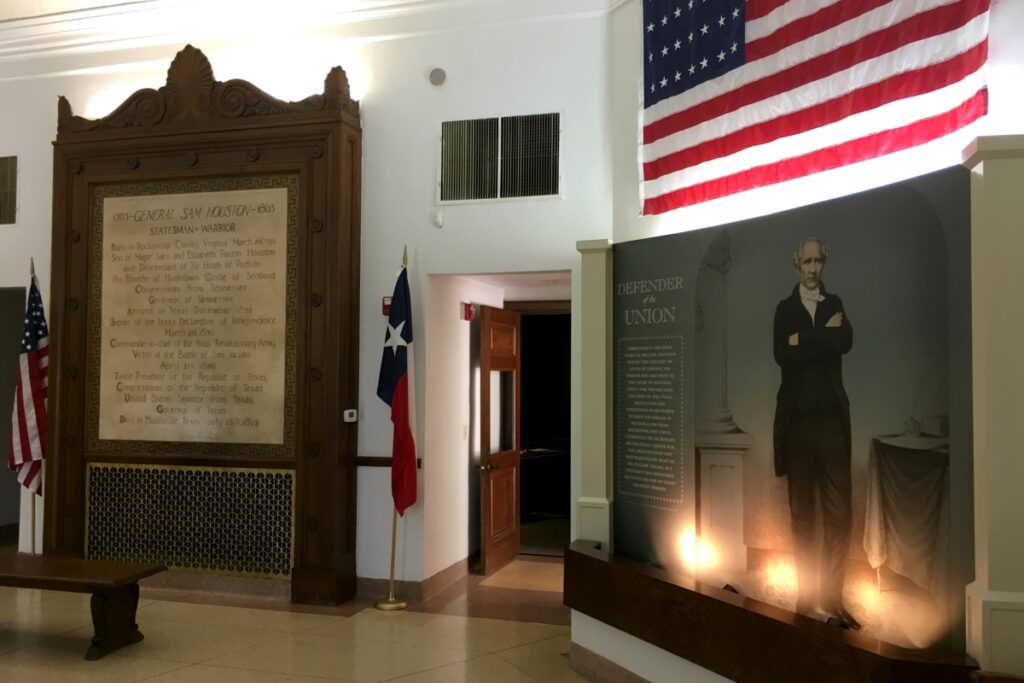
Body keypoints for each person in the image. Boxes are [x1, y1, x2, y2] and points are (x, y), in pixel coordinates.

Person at [772, 237, 860, 630]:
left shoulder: (835, 304)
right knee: (802, 517)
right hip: (797, 430)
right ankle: (807, 595)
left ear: (825, 263)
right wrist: (822, 337)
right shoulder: (784, 309)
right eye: (805, 261)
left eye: (817, 261)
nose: (811, 268)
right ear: (796, 263)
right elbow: (781, 354)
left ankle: (833, 598)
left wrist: (805, 339)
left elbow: (846, 342)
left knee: (839, 517)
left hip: (832, 429)